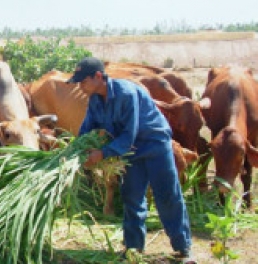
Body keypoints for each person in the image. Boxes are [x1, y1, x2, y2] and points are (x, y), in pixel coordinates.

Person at [66, 57, 195, 263]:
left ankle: (183, 247)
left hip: (153, 144)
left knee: (167, 195)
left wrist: (102, 154)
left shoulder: (126, 93)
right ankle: (133, 248)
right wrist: (74, 152)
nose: (80, 86)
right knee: (131, 196)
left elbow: (128, 134)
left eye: (83, 81)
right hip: (130, 151)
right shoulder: (95, 100)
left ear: (98, 76)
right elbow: (86, 129)